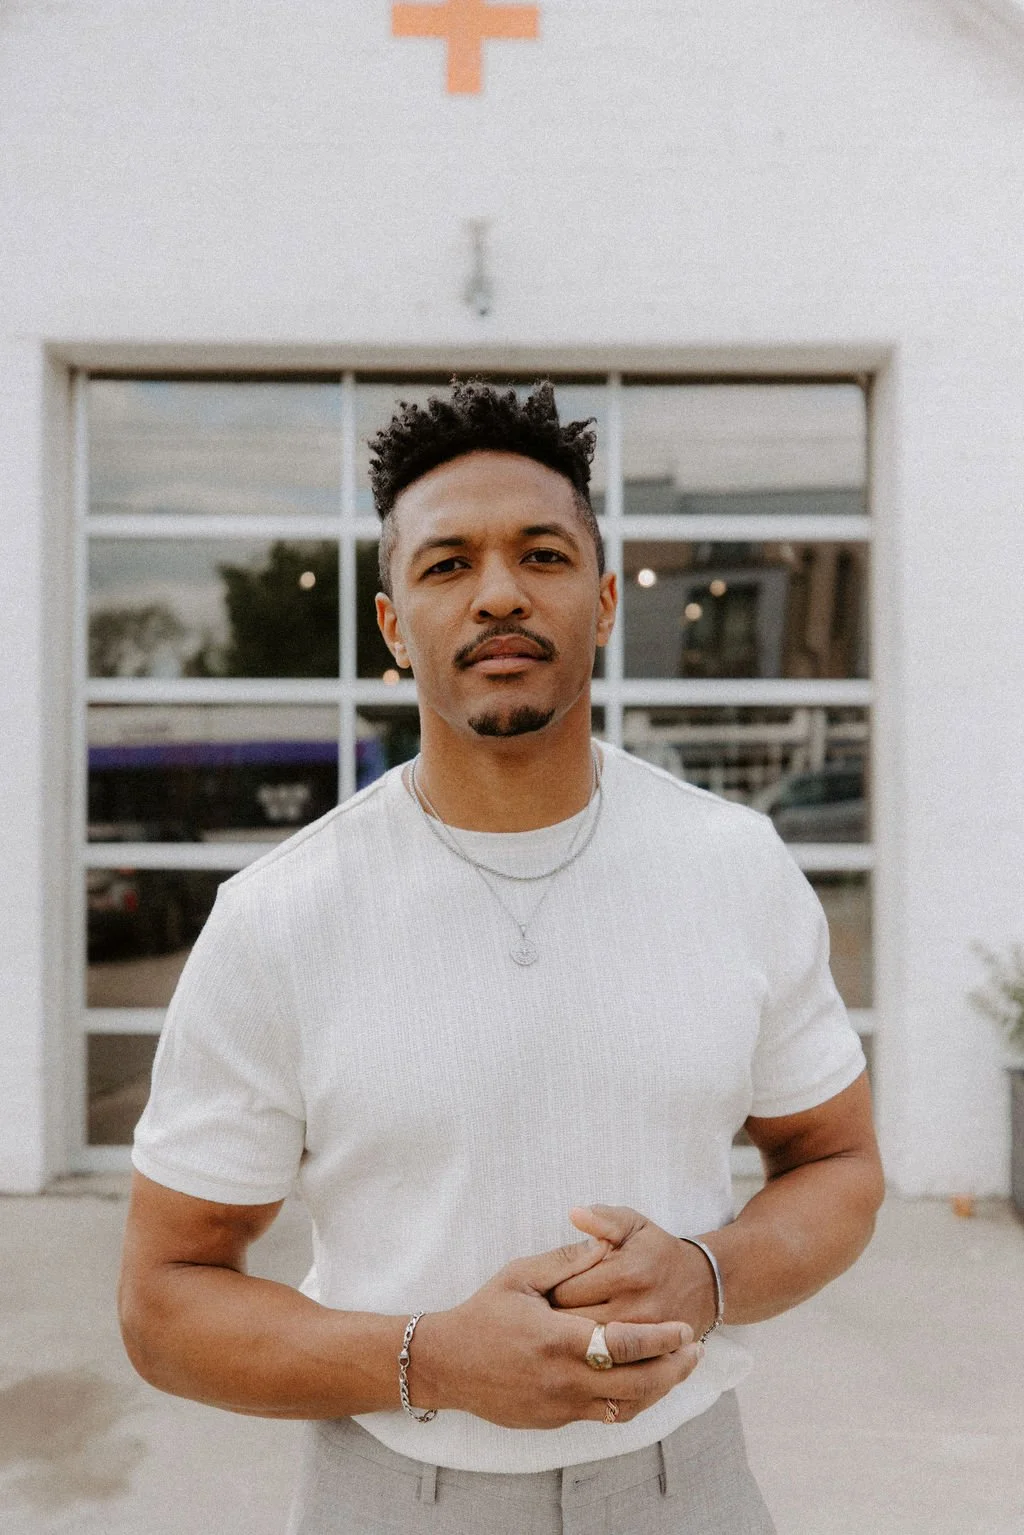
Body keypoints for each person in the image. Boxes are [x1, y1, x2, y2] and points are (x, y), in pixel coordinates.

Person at [119, 379, 884, 1534]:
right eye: (444, 565)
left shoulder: (733, 864)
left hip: (688, 1486)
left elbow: (837, 1162)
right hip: (396, 1492)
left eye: (540, 553)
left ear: (606, 598)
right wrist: (433, 1357)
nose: (497, 593)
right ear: (390, 625)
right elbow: (163, 1302)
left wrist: (708, 1270)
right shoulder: (281, 917)